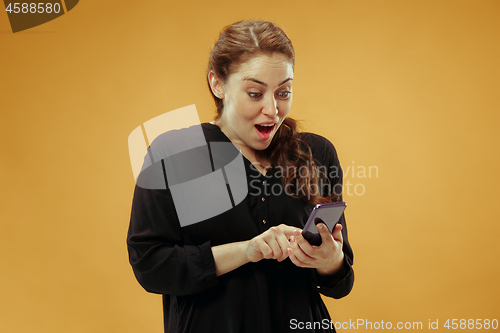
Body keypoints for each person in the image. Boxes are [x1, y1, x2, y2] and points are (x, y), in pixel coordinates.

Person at [127, 20, 354, 332]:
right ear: (217, 84)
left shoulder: (317, 153)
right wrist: (248, 250)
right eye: (254, 93)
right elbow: (150, 265)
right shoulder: (175, 153)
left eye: (283, 91)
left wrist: (330, 259)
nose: (272, 109)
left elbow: (340, 283)